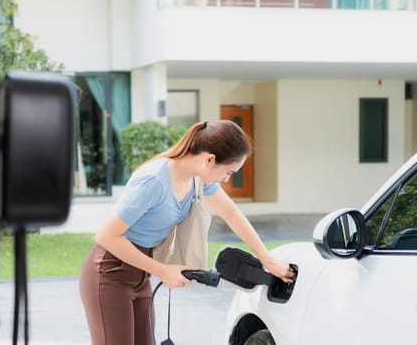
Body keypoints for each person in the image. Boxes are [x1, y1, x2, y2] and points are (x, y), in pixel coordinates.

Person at [79, 120, 295, 345]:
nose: (227, 179)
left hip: (139, 274)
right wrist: (162, 270)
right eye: (228, 172)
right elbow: (106, 236)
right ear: (209, 159)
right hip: (109, 272)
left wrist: (266, 259)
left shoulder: (196, 180)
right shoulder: (154, 181)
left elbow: (231, 214)